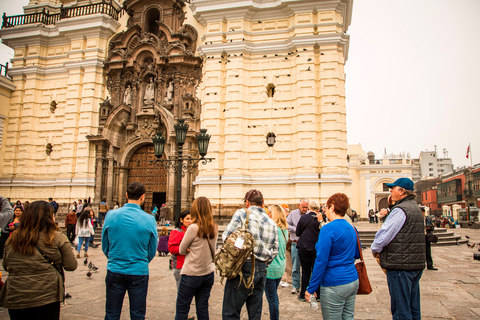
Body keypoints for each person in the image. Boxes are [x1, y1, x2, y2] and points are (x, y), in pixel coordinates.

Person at [0, 200, 77, 320]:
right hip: (46, 296)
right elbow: (71, 265)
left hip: (16, 296)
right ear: (49, 217)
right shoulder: (57, 236)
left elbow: (6, 265)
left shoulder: (13, 238)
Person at [371, 178, 425, 320]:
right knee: (413, 308)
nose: (390, 191)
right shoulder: (415, 208)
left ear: (402, 191)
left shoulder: (400, 210)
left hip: (400, 266)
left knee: (401, 310)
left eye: (393, 188)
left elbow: (384, 236)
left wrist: (375, 248)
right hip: (414, 264)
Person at [102, 182, 158, 320]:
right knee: (138, 315)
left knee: (112, 314)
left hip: (114, 269)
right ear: (143, 197)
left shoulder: (110, 215)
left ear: (126, 195)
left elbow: (105, 244)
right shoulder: (150, 219)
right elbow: (152, 249)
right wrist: (141, 261)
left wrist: (115, 258)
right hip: (139, 272)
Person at [221, 189, 278, 320]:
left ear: (247, 202)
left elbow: (226, 237)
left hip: (242, 267)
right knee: (255, 313)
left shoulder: (242, 214)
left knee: (231, 312)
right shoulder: (272, 222)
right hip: (262, 269)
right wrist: (263, 264)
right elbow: (275, 250)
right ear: (262, 203)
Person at [305, 193, 360, 320]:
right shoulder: (352, 227)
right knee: (348, 317)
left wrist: (311, 288)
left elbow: (321, 261)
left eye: (326, 207)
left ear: (332, 207)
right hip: (352, 280)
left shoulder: (328, 229)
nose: (325, 210)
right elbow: (357, 253)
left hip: (334, 283)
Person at [175, 197, 218, 320]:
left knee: (182, 308)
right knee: (203, 307)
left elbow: (181, 250)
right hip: (208, 273)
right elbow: (214, 251)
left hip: (191, 274)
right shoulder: (214, 227)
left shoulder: (193, 228)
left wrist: (189, 249)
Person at [296, 200, 323, 301]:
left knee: (305, 272)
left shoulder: (303, 217)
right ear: (318, 209)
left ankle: (303, 294)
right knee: (316, 271)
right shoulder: (321, 220)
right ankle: (318, 294)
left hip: (303, 248)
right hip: (316, 248)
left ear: (309, 208)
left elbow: (298, 233)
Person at [264, 204, 288, 320]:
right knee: (274, 295)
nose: (268, 215)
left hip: (271, 269)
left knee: (271, 298)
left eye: (269, 213)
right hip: (280, 267)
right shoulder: (284, 230)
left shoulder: (273, 230)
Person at [286, 198, 310, 294]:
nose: (305, 209)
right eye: (303, 207)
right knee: (295, 266)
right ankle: (296, 286)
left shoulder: (309, 214)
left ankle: (307, 286)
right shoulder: (293, 214)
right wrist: (297, 229)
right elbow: (287, 225)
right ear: (299, 205)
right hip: (295, 242)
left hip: (307, 244)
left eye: (306, 207)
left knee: (307, 267)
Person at [168, 210, 192, 288]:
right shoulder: (176, 232)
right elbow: (171, 248)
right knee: (182, 291)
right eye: (187, 219)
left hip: (189, 265)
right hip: (179, 266)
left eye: (191, 219)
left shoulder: (190, 232)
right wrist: (184, 249)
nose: (190, 221)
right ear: (181, 220)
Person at [280, 204, 293, 288]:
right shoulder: (286, 219)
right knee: (285, 261)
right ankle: (285, 278)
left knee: (289, 262)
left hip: (288, 243)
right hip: (285, 243)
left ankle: (289, 280)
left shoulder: (288, 219)